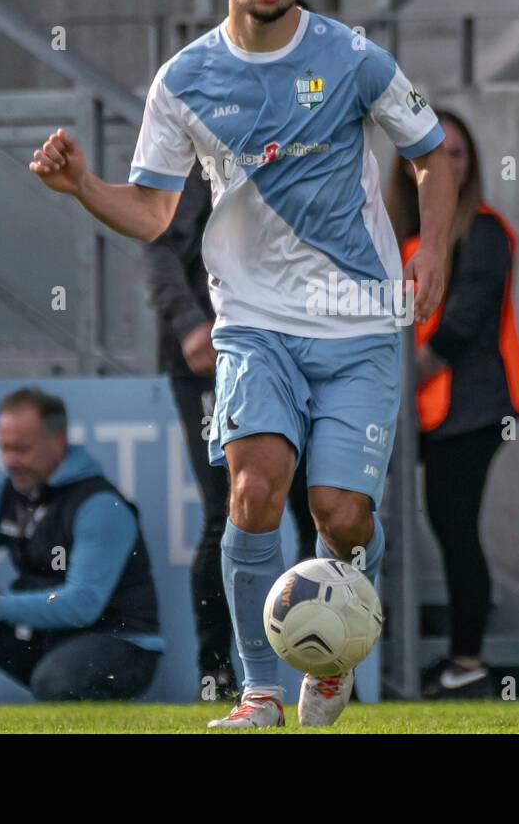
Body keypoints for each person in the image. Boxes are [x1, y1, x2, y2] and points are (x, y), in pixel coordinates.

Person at [28, 0, 455, 728]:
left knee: (340, 513)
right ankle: (260, 689)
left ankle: (333, 648)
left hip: (361, 323)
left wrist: (432, 244)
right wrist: (82, 186)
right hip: (254, 325)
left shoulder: (355, 57)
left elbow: (431, 154)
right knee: (254, 491)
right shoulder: (184, 80)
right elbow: (153, 212)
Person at [140, 162, 317, 701]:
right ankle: (217, 671)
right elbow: (156, 245)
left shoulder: (296, 146)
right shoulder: (186, 157)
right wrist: (190, 322)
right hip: (211, 359)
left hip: (297, 349)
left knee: (318, 508)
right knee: (229, 511)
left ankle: (326, 661)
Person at [386, 108, 519, 697]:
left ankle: (467, 658)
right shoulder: (393, 235)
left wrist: (399, 380)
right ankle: (379, 659)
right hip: (414, 408)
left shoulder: (486, 230)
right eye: (433, 154)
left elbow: (464, 321)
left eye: (458, 154)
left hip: (469, 409)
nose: (446, 165)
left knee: (453, 524)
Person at [0, 388, 164, 702]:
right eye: (4, 448)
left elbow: (83, 605)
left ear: (58, 443)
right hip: (47, 638)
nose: (10, 461)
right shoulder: (5, 492)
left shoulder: (100, 505)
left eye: (22, 449)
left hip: (118, 641)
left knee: (56, 680)